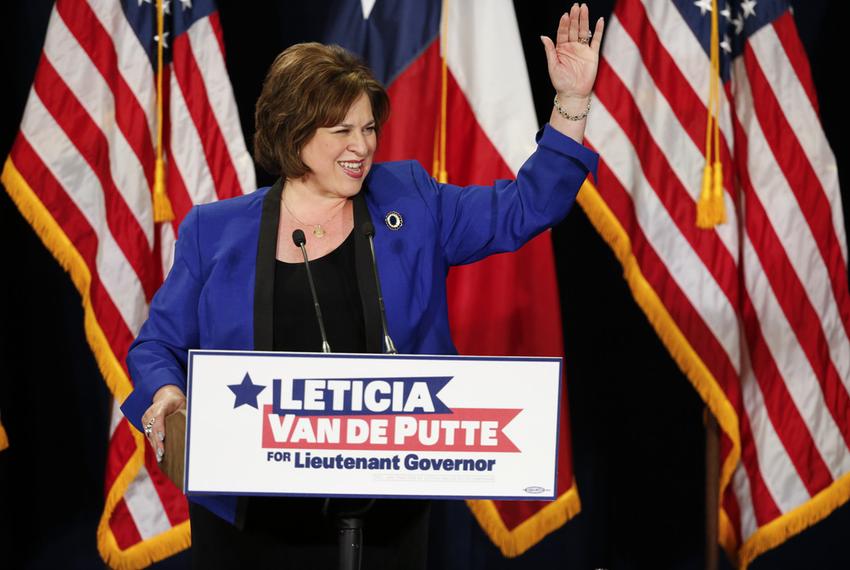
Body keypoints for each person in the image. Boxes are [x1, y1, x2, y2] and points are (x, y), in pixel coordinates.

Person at [121, 3, 604, 568]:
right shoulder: (216, 231)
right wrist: (167, 394)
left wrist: (571, 102)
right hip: (251, 523)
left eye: (369, 127)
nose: (363, 146)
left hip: (385, 519)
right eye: (342, 130)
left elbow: (527, 207)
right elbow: (156, 345)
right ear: (292, 131)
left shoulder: (412, 199)